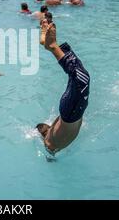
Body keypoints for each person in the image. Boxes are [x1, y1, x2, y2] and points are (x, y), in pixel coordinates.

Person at [36, 19, 90, 157]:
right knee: (78, 74)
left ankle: (52, 46)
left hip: (70, 113)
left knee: (80, 77)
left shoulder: (52, 143)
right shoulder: (52, 139)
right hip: (70, 113)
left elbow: (49, 149)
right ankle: (52, 46)